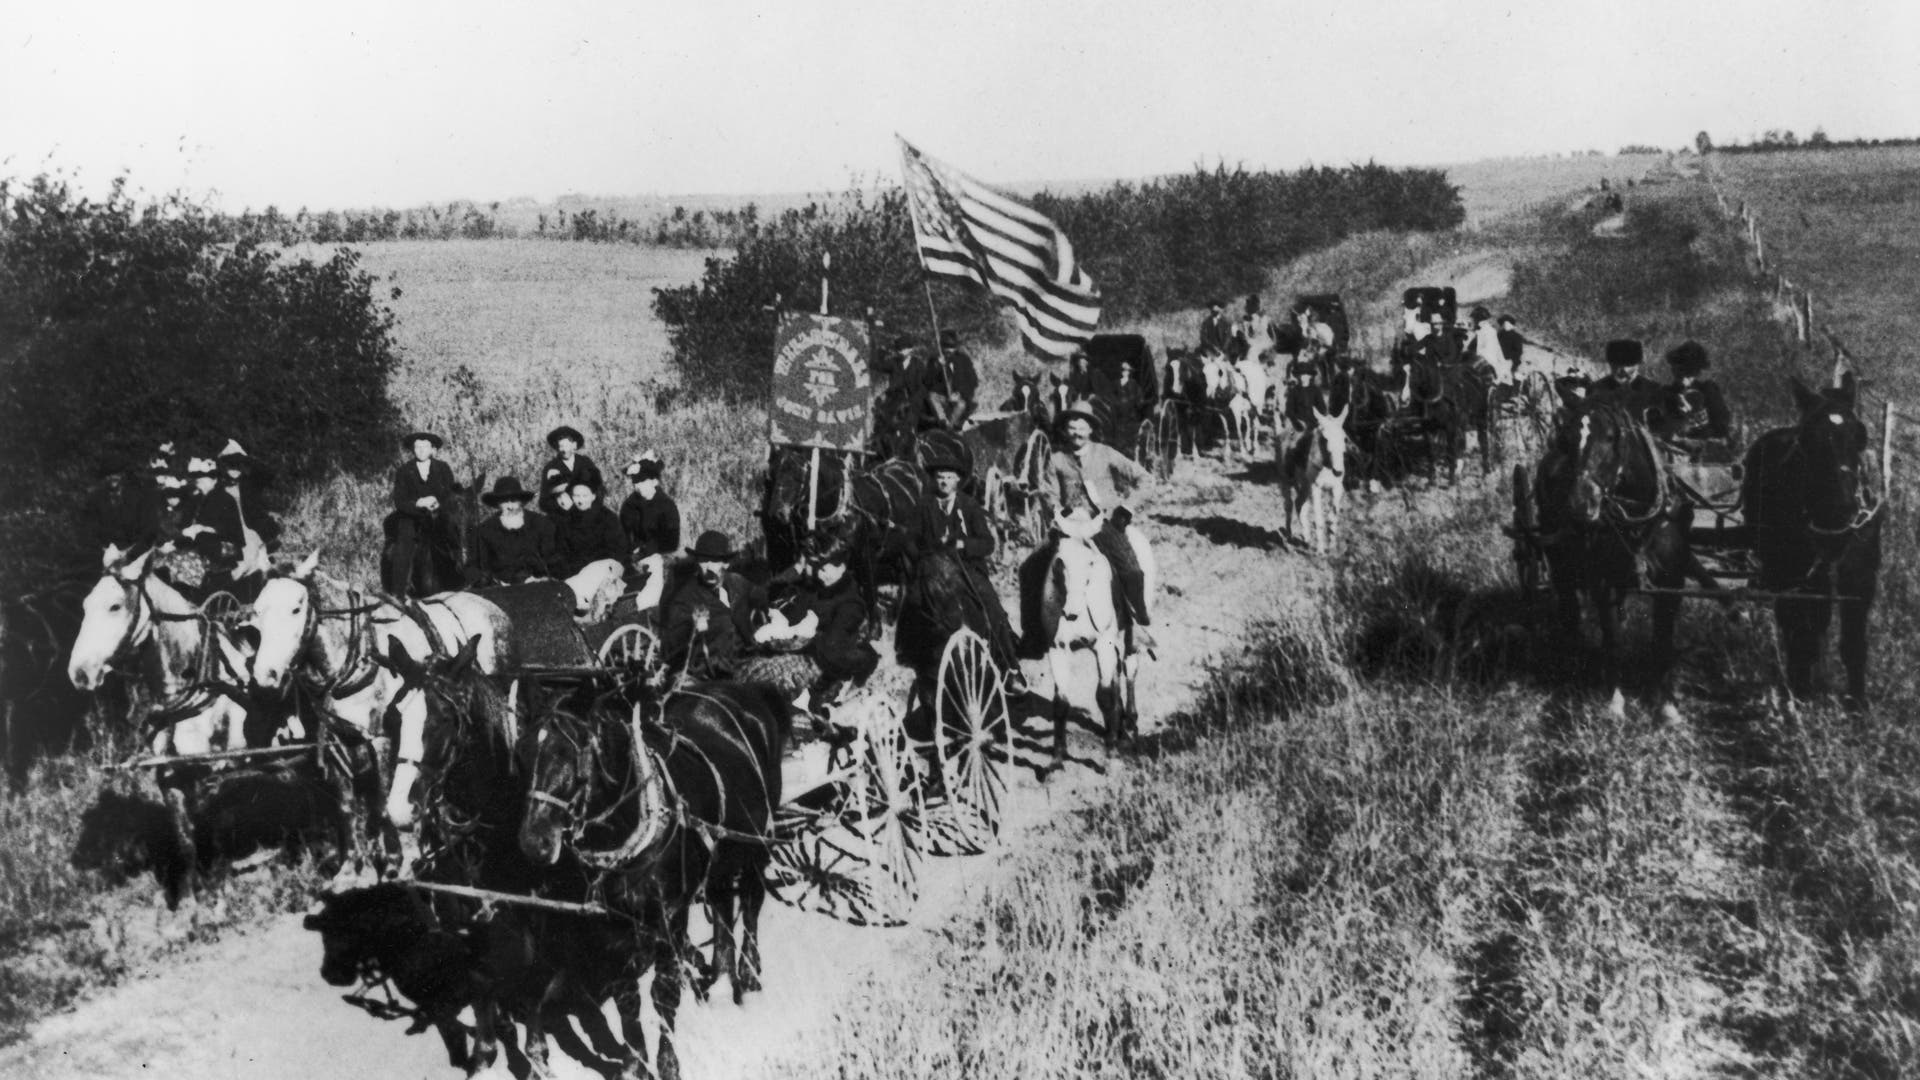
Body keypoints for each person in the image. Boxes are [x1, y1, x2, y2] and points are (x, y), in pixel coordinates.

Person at [1025, 402, 1155, 654]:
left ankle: (1137, 626)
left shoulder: (1106, 454)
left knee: (1131, 570)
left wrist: (1125, 508)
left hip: (1102, 523)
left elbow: (1145, 479)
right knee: (1030, 567)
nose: (1076, 433)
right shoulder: (1058, 460)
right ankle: (1034, 632)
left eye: (1081, 427)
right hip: (1069, 526)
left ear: (1091, 430)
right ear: (1064, 430)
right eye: (1071, 427)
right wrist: (1057, 510)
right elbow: (1048, 491)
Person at [909, 450, 1022, 674]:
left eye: (949, 477)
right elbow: (912, 539)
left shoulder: (969, 506)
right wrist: (923, 556)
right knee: (913, 606)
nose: (944, 481)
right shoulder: (924, 506)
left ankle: (1009, 667)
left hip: (966, 568)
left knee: (992, 608)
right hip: (933, 569)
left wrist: (964, 545)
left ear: (958, 480)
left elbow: (987, 544)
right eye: (940, 476)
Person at [754, 538, 880, 718]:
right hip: (801, 655)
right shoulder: (817, 589)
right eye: (817, 567)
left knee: (769, 682)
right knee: (754, 670)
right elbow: (773, 595)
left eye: (824, 568)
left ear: (842, 566)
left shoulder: (850, 604)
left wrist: (805, 636)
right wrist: (796, 570)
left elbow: (833, 650)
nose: (820, 574)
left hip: (825, 672)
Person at [663, 530, 764, 679]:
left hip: (750, 662)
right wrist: (692, 627)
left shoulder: (737, 583)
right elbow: (671, 644)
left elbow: (763, 596)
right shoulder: (686, 598)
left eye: (715, 561)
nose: (709, 568)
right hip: (713, 673)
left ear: (726, 563)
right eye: (704, 561)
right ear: (696, 561)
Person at [386, 431, 462, 596]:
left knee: (456, 531)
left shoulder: (442, 468)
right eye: (417, 447)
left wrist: (437, 503)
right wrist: (418, 504)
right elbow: (400, 500)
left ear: (432, 449)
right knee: (404, 542)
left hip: (438, 514)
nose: (421, 450)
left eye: (425, 446)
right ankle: (399, 591)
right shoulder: (404, 471)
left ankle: (462, 576)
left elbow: (450, 494)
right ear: (413, 450)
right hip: (413, 517)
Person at [554, 481, 629, 620]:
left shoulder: (608, 518)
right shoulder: (566, 521)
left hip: (606, 571)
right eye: (576, 495)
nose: (580, 500)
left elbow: (618, 550)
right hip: (576, 572)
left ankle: (583, 605)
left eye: (584, 495)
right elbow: (561, 551)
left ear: (593, 496)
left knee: (592, 573)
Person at [617, 452, 681, 610]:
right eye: (635, 482)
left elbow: (671, 541)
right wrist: (629, 554)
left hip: (657, 554)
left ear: (654, 481)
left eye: (643, 481)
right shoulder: (629, 506)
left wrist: (646, 551)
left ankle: (645, 607)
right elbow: (623, 535)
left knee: (652, 570)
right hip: (634, 557)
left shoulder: (666, 505)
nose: (638, 486)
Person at [469, 476, 558, 587]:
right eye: (505, 501)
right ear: (497, 504)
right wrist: (492, 581)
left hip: (537, 587)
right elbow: (475, 567)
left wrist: (542, 577)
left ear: (521, 501)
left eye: (514, 500)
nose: (510, 506)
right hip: (501, 591)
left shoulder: (540, 524)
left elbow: (552, 559)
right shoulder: (484, 531)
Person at [1655, 340, 1733, 455]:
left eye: (1683, 368)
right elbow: (1660, 428)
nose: (1677, 372)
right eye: (1675, 367)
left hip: (1706, 454)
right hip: (1671, 452)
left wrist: (1692, 415)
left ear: (1695, 370)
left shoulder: (1708, 390)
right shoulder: (1666, 392)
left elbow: (1721, 428)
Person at [537, 425, 603, 517]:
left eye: (566, 445)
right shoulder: (550, 467)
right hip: (564, 516)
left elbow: (599, 489)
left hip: (588, 513)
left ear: (574, 445)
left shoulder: (585, 462)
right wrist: (560, 504)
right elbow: (544, 501)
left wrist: (592, 508)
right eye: (560, 446)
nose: (563, 450)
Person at [1589, 339, 1663, 419]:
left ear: (1638, 365)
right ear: (1610, 364)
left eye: (1628, 365)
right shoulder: (1596, 389)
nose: (1623, 370)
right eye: (1617, 365)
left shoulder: (1654, 391)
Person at [923, 329, 980, 430]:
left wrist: (959, 393)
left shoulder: (964, 360)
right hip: (942, 397)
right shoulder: (934, 360)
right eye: (946, 348)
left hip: (959, 398)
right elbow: (927, 382)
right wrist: (937, 367)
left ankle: (949, 427)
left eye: (952, 348)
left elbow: (973, 381)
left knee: (961, 405)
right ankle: (943, 422)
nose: (949, 351)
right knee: (932, 396)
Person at [1467, 306, 1513, 387]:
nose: (1472, 322)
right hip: (1480, 361)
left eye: (1473, 320)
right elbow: (1471, 347)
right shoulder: (1480, 331)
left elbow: (1489, 353)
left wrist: (1475, 357)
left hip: (1488, 364)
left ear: (1478, 320)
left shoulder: (1489, 332)